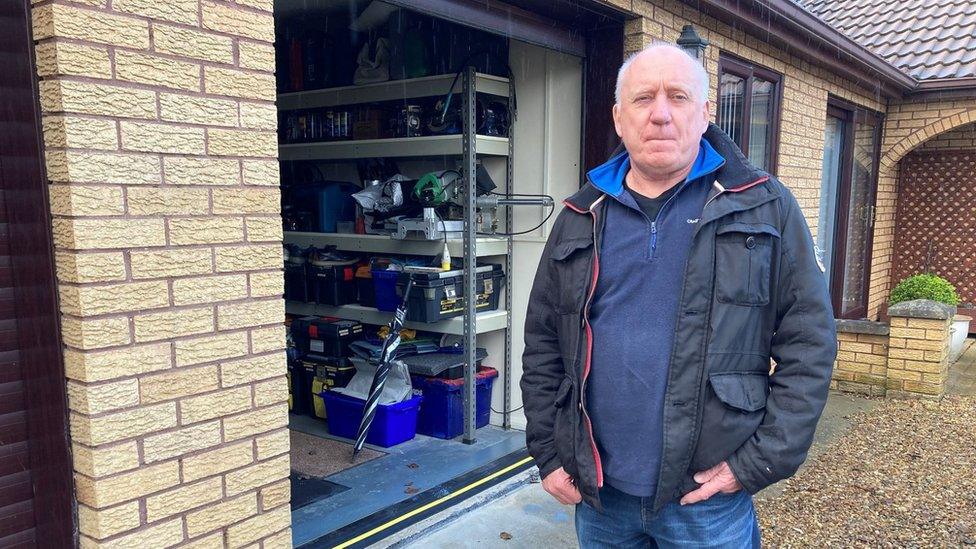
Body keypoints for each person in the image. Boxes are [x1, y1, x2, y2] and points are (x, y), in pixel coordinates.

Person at [519, 42, 837, 548]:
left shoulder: (763, 206)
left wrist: (756, 462)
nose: (661, 115)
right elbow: (542, 346)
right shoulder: (581, 216)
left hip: (707, 501)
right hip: (601, 498)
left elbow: (810, 344)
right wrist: (548, 454)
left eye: (679, 97)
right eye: (643, 99)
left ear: (706, 112)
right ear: (619, 119)